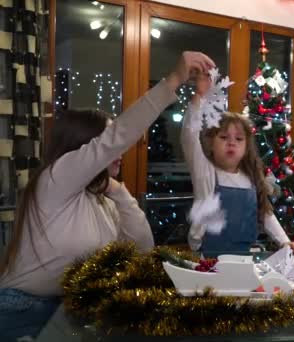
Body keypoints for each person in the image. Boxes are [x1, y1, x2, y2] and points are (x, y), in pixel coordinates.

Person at [0, 51, 216, 341]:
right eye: (110, 144)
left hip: (71, 312)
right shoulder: (55, 179)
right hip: (23, 312)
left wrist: (118, 191)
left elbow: (141, 249)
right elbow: (116, 139)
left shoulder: (103, 199)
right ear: (83, 147)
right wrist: (174, 80)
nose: (121, 152)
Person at [181, 75, 294, 256]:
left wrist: (284, 242)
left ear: (246, 148)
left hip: (244, 258)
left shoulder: (251, 179)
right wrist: (199, 95)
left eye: (238, 139)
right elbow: (189, 135)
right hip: (207, 258)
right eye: (223, 137)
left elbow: (266, 214)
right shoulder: (205, 173)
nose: (231, 143)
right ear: (211, 144)